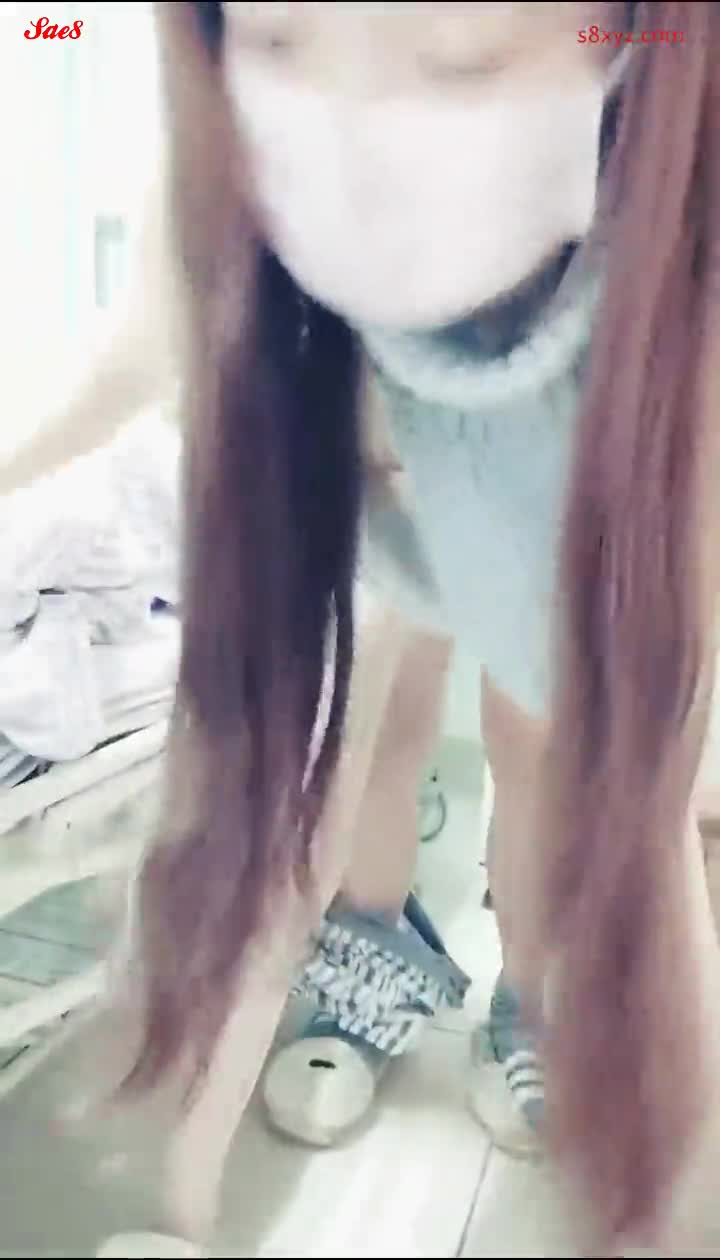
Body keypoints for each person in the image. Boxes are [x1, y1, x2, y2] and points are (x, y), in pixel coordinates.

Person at [6, 1, 720, 1254]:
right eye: (280, 38)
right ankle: (364, 965)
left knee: (559, 766)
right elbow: (131, 362)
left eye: (456, 54)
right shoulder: (242, 172)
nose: (356, 110)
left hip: (581, 508)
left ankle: (536, 998)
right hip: (365, 488)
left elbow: (650, 826)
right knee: (333, 759)